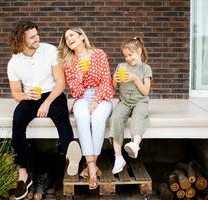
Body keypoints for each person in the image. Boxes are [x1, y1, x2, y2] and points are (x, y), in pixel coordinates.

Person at [7, 20, 81, 200]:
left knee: (61, 117)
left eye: (37, 34)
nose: (37, 39)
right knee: (17, 121)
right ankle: (23, 173)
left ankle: (71, 159)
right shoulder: (14, 62)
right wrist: (26, 96)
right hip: (32, 96)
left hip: (53, 94)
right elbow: (16, 93)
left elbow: (61, 83)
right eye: (32, 37)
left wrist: (46, 103)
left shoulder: (49, 51)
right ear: (21, 40)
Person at [58, 28, 114, 190]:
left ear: (82, 36)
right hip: (82, 97)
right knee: (82, 117)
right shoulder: (69, 61)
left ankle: (90, 166)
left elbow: (106, 80)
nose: (68, 39)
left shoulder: (98, 54)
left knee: (97, 119)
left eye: (72, 35)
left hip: (102, 96)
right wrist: (81, 74)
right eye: (66, 38)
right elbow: (75, 91)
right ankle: (92, 167)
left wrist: (96, 101)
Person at [109, 36, 152, 174]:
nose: (128, 58)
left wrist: (135, 78)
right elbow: (113, 88)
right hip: (125, 102)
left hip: (140, 101)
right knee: (115, 117)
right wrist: (114, 80)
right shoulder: (121, 67)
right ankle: (118, 157)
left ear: (139, 51)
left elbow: (145, 91)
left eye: (130, 54)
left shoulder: (145, 68)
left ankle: (135, 144)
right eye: (125, 56)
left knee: (139, 115)